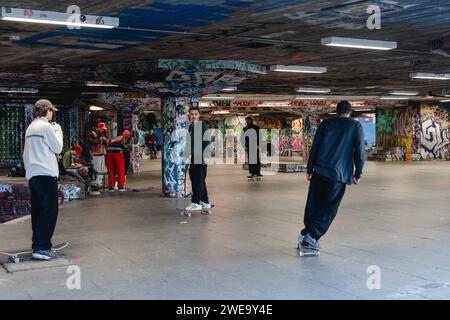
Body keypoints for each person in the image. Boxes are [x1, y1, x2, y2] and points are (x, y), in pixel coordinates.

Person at [298, 101, 366, 251]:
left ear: (336, 111)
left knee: (313, 204)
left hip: (320, 171)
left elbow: (315, 147)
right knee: (329, 208)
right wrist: (358, 173)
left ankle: (305, 234)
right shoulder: (355, 126)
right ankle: (312, 236)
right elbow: (360, 151)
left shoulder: (326, 124)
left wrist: (310, 169)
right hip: (338, 175)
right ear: (350, 112)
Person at [23, 99, 63, 260]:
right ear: (47, 110)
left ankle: (37, 244)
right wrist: (58, 131)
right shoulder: (47, 127)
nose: (53, 114)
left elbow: (26, 153)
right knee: (49, 211)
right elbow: (58, 148)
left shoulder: (30, 127)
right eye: (52, 111)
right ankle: (42, 247)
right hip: (46, 174)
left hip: (33, 174)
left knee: (38, 211)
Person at [184, 107, 212, 212]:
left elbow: (207, 141)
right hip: (194, 156)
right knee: (196, 179)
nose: (193, 116)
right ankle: (205, 202)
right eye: (191, 114)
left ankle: (196, 202)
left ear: (199, 115)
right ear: (189, 116)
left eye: (195, 114)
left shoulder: (202, 125)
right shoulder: (191, 126)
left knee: (198, 180)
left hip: (201, 156)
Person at [89, 122, 109, 190]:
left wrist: (104, 141)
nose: (103, 130)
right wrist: (100, 140)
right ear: (99, 128)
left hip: (102, 152)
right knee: (97, 167)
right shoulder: (93, 133)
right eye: (102, 129)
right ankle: (96, 182)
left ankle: (99, 181)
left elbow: (105, 142)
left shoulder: (102, 134)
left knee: (101, 167)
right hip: (96, 153)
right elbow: (91, 142)